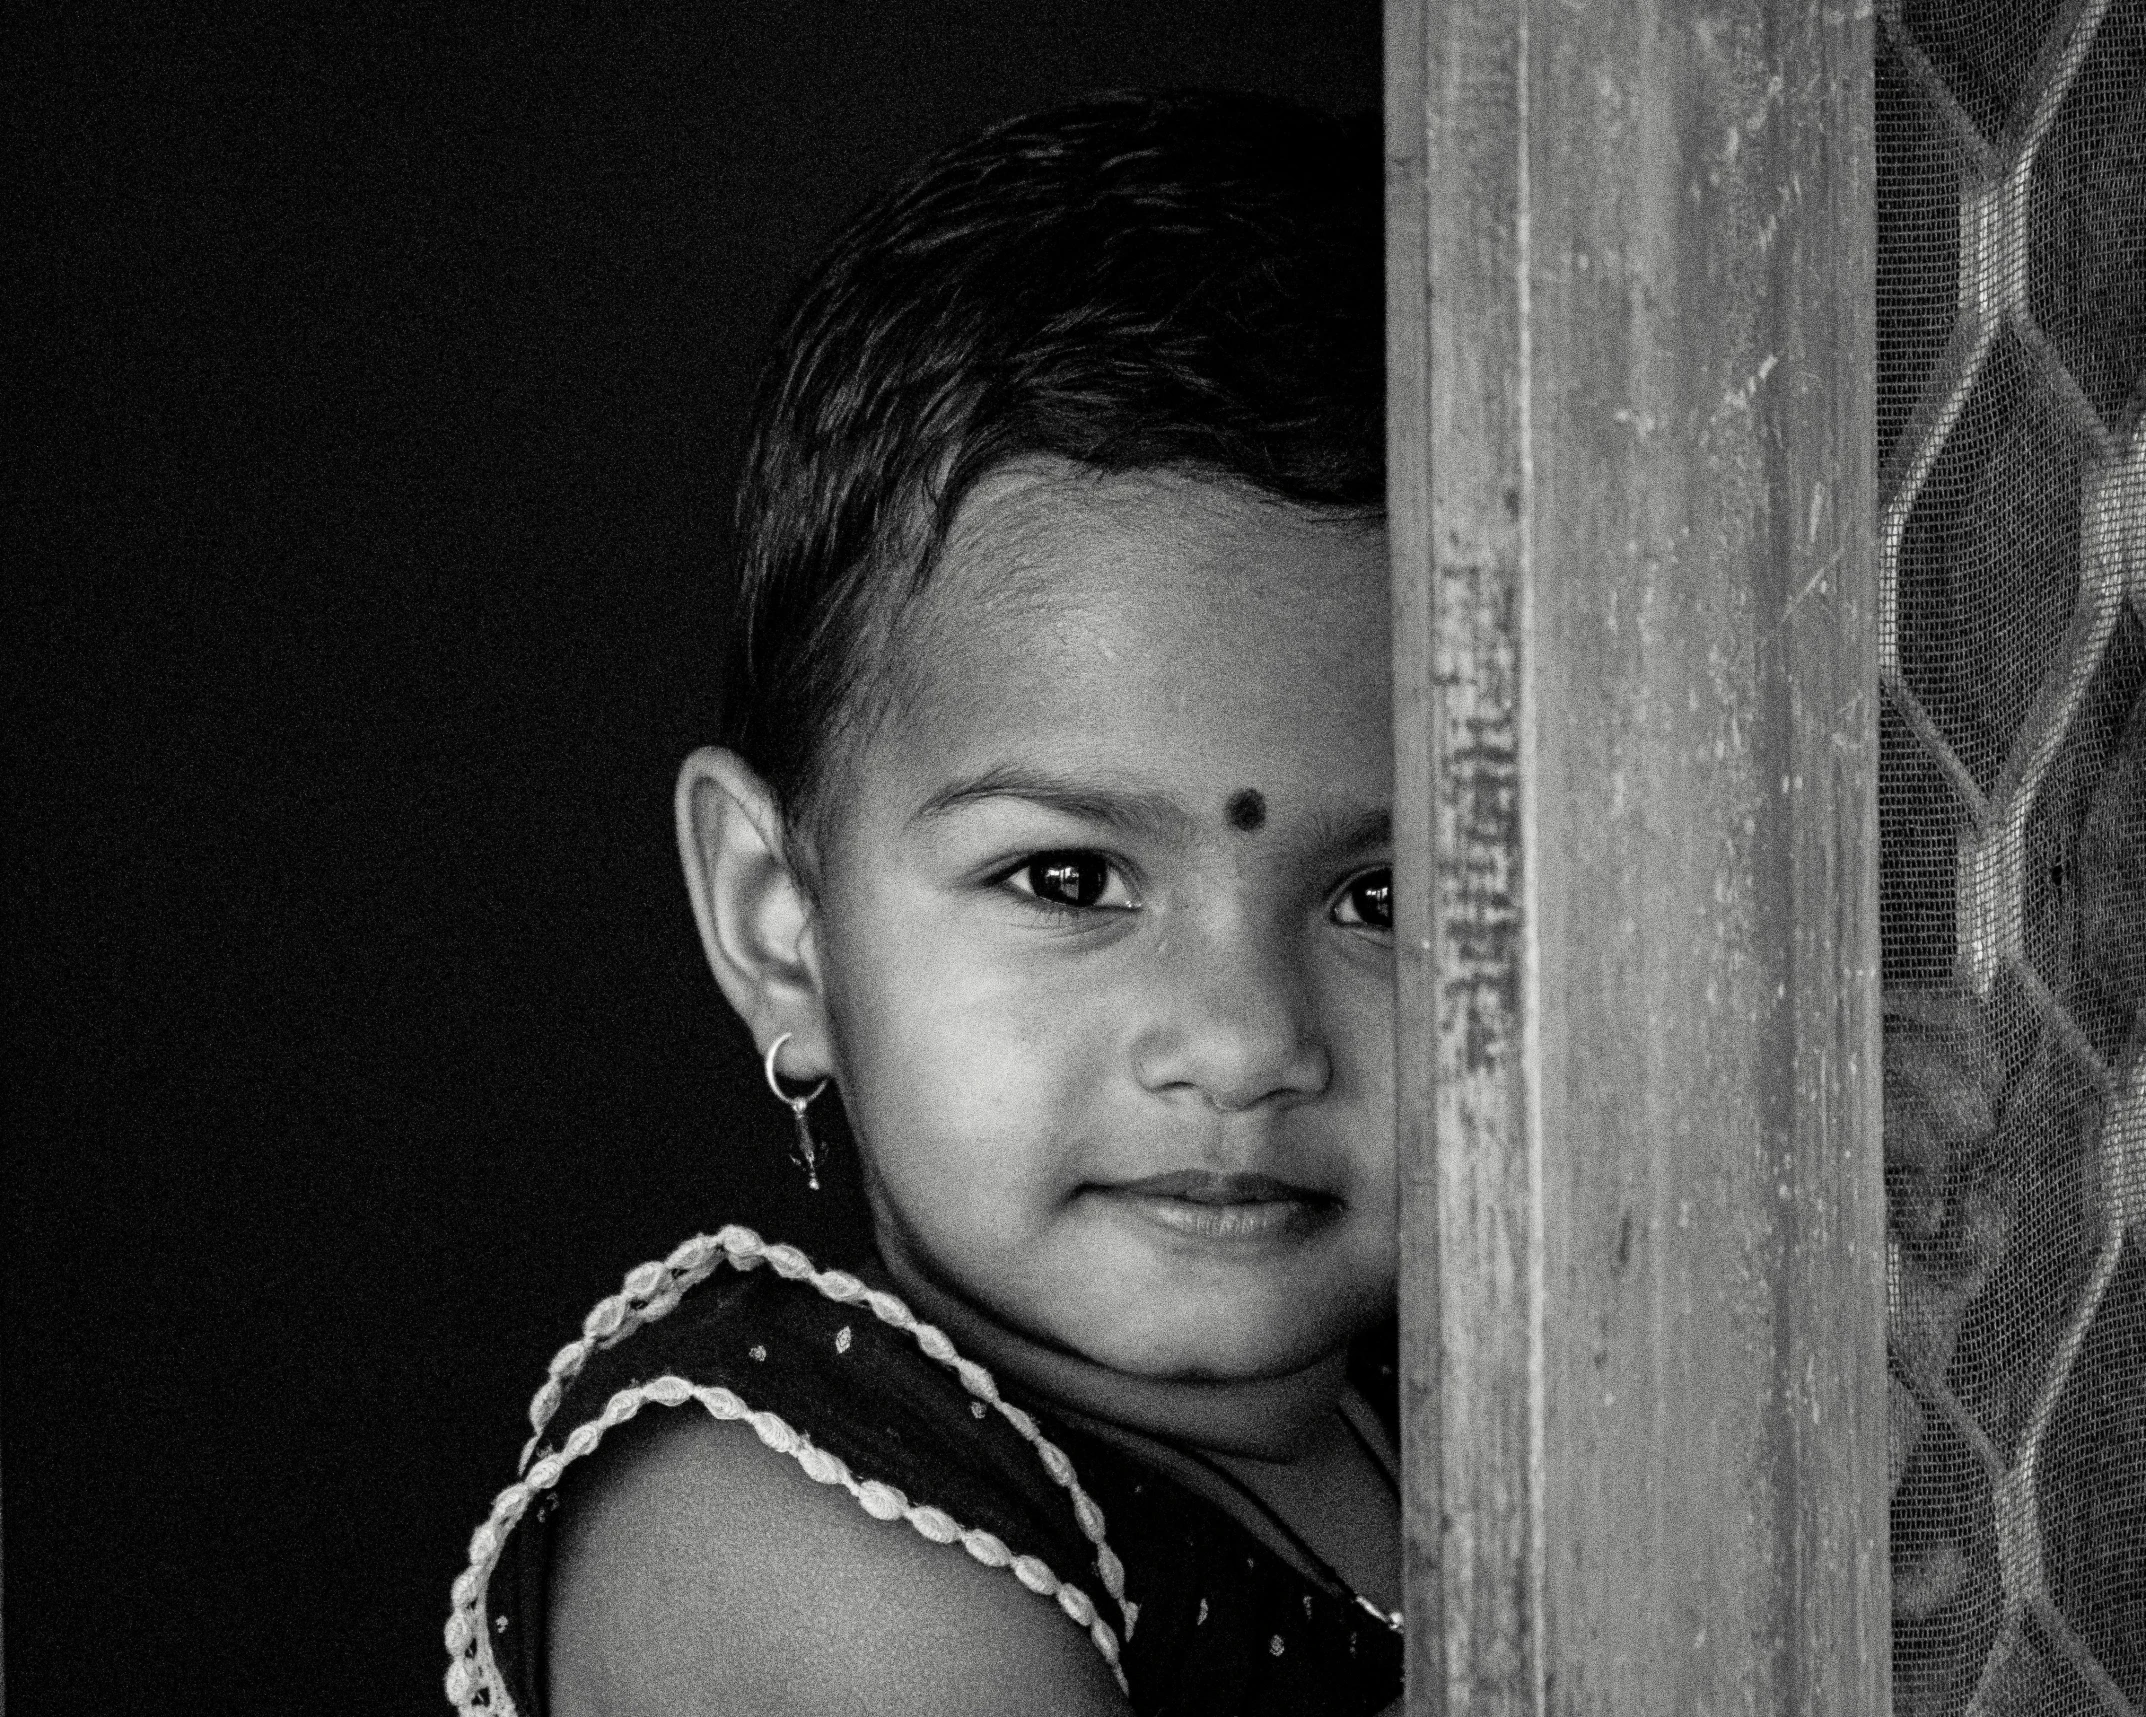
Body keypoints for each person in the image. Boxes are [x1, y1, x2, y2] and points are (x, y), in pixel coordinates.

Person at [445, 90, 1401, 1717]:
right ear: (778, 918)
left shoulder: (1447, 1396)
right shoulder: (789, 1519)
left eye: (1379, 897)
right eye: (1069, 879)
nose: (1243, 1045)